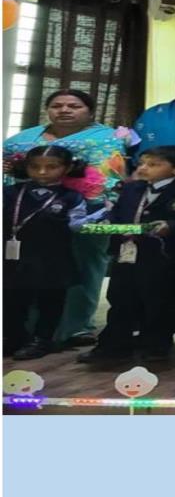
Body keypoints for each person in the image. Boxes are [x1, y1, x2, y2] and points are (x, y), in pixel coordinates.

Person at [4, 89, 130, 346]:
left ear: (90, 111)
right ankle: (20, 332)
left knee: (80, 269)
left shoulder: (106, 138)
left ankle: (74, 329)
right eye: (57, 105)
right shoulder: (22, 138)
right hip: (28, 215)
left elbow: (109, 179)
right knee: (21, 275)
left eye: (74, 106)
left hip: (84, 213)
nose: (64, 110)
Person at [78, 146, 175, 365]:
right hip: (127, 253)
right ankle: (113, 346)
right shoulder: (132, 188)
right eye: (142, 163)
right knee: (119, 298)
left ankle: (156, 346)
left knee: (159, 300)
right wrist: (109, 223)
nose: (144, 168)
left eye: (154, 164)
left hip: (164, 256)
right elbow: (118, 212)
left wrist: (172, 226)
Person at [3, 146, 90, 359]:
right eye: (35, 167)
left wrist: (102, 214)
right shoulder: (11, 192)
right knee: (12, 299)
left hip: (54, 258)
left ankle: (43, 340)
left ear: (67, 168)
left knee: (50, 300)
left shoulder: (72, 197)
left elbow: (77, 225)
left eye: (51, 167)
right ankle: (13, 337)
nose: (42, 172)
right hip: (15, 257)